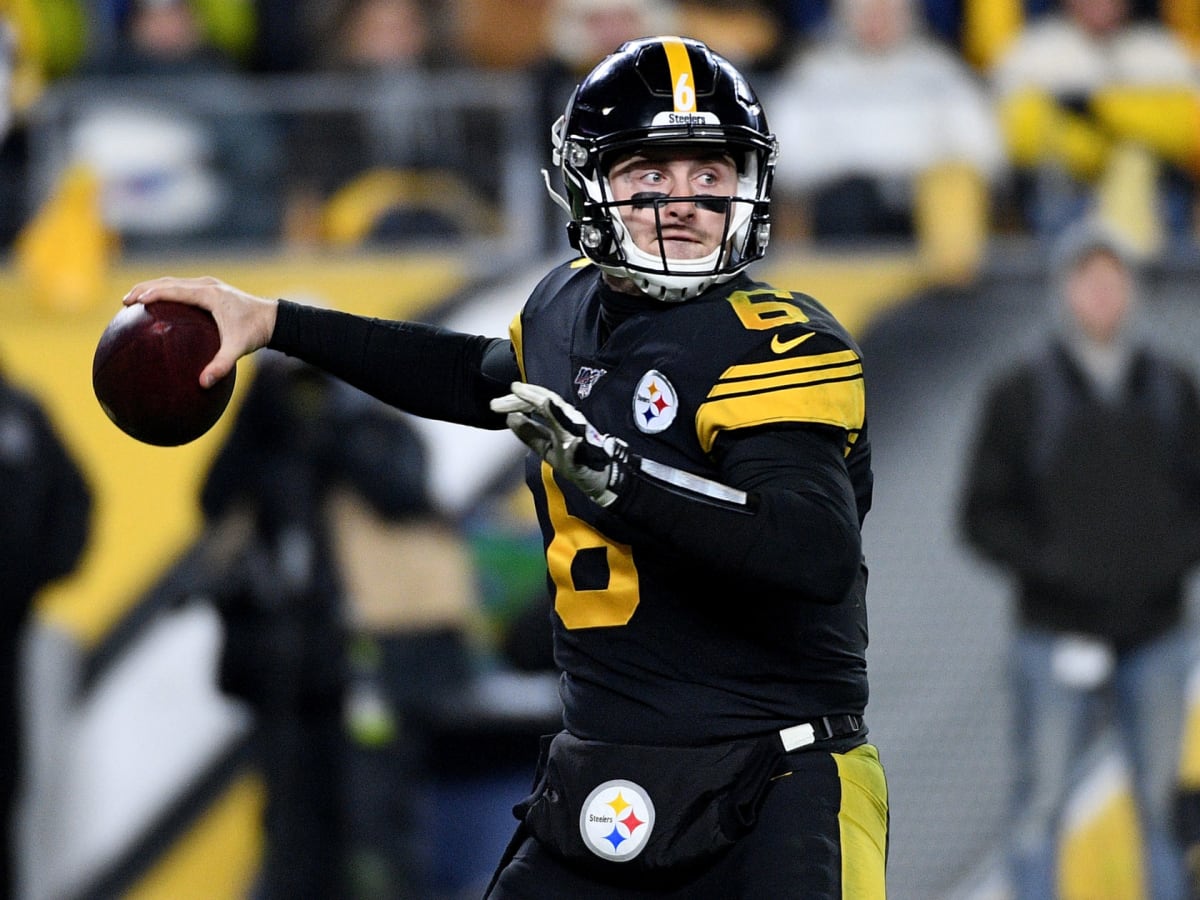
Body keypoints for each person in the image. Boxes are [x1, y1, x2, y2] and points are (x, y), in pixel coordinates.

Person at [122, 35, 889, 898]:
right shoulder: (562, 311)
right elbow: (470, 375)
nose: (683, 200)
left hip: (774, 776)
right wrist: (273, 321)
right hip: (607, 773)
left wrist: (618, 480)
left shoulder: (778, 342)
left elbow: (810, 551)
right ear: (588, 181)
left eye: (709, 174)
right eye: (650, 172)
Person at [958, 219, 1200, 900]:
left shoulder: (1172, 389)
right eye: (1087, 281)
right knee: (1040, 805)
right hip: (1052, 635)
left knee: (1160, 807)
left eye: (1113, 280)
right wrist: (1056, 566)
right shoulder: (1022, 395)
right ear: (1064, 292)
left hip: (1157, 635)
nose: (1101, 296)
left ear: (1132, 290)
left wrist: (1161, 562)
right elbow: (982, 514)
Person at [201, 353, 475, 898]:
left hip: (377, 665)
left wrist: (342, 421)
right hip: (290, 670)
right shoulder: (266, 444)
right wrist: (254, 414)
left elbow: (404, 492)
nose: (301, 390)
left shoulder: (375, 426)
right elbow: (213, 502)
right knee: (293, 830)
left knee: (375, 826)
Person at [764, 0, 1005, 287]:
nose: (877, 23)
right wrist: (861, 164)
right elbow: (785, 155)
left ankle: (948, 293)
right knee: (848, 203)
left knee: (952, 187)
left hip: (919, 198)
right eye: (867, 14)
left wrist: (916, 167)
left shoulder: (939, 71)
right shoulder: (816, 73)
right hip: (843, 199)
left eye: (887, 14)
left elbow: (985, 150)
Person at [988, 0, 1200, 255]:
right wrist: (1129, 128)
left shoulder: (1163, 50)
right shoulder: (1032, 49)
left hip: (1158, 201)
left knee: (1136, 161)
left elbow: (1188, 128)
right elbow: (1018, 133)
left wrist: (1097, 110)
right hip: (1062, 197)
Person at [0, 363, 92, 900]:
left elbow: (75, 501)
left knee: (5, 791)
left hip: (6, 639)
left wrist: (27, 581)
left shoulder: (19, 412)